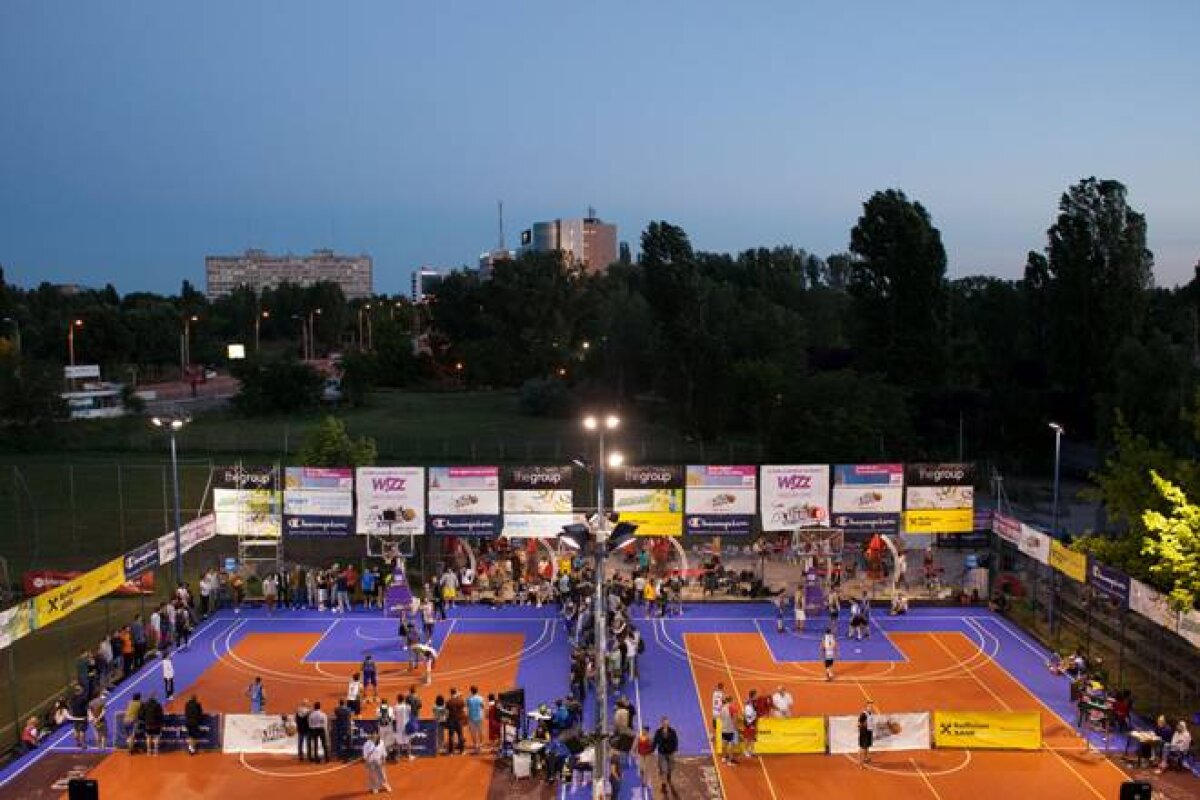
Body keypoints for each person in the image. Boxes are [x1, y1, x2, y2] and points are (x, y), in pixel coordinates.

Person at [652, 716, 679, 795]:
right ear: (662, 723)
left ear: (668, 723)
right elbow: (655, 741)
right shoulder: (658, 732)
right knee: (663, 770)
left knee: (670, 768)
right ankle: (663, 785)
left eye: (667, 722)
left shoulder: (672, 731)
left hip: (670, 753)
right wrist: (652, 750)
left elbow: (675, 741)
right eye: (664, 722)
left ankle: (669, 776)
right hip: (662, 754)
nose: (665, 724)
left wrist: (675, 749)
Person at [363, 730, 391, 794]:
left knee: (382, 774)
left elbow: (383, 751)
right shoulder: (367, 744)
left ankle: (385, 785)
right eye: (373, 734)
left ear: (378, 734)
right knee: (372, 775)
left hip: (379, 760)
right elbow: (365, 755)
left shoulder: (381, 742)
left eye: (375, 734)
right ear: (371, 735)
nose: (374, 735)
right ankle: (374, 788)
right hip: (370, 761)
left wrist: (384, 759)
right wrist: (367, 762)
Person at [718, 695, 739, 765]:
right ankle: (730, 760)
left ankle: (724, 758)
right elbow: (735, 719)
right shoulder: (732, 708)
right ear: (731, 700)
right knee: (731, 744)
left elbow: (720, 718)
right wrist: (736, 728)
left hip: (724, 728)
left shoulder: (722, 708)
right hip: (731, 729)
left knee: (724, 743)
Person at [445, 688, 467, 755]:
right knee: (460, 735)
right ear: (456, 692)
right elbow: (464, 709)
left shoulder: (448, 701)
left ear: (450, 693)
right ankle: (462, 751)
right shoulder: (461, 700)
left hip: (451, 720)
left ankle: (451, 752)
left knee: (451, 735)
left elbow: (447, 712)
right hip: (459, 720)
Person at [68, 684, 89, 749]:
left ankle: (77, 743)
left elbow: (70, 706)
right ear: (80, 690)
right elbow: (87, 707)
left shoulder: (72, 698)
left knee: (76, 730)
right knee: (82, 731)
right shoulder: (83, 698)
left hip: (75, 716)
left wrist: (72, 713)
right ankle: (83, 744)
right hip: (82, 717)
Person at [466, 685, 485, 753]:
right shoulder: (480, 698)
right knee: (480, 731)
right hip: (479, 717)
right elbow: (483, 706)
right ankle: (481, 745)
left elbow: (467, 706)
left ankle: (475, 745)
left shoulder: (469, 699)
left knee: (473, 732)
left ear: (471, 691)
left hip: (471, 718)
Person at [858, 699, 876, 766]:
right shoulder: (863, 714)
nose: (871, 707)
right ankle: (860, 762)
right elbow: (858, 724)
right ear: (866, 707)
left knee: (867, 746)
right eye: (869, 706)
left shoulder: (870, 714)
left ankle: (866, 758)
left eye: (871, 706)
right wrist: (863, 725)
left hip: (869, 732)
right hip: (864, 733)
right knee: (862, 747)